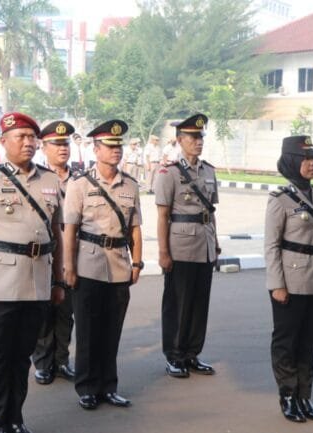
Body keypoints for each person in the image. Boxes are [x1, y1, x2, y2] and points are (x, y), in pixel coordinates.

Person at [0, 112, 64, 433]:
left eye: (31, 137)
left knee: (22, 356)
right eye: (20, 137)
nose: (27, 143)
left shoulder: (50, 181)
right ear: (3, 142)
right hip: (0, 282)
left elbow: (57, 235)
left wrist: (58, 280)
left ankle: (15, 418)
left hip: (37, 281)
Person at [63, 120, 143, 410]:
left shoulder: (130, 185)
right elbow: (69, 230)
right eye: (110, 146)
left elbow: (135, 228)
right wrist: (69, 268)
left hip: (119, 265)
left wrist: (138, 263)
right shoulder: (79, 185)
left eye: (119, 146)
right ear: (96, 149)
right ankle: (86, 387)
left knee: (112, 330)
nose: (116, 151)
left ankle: (109, 386)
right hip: (88, 264)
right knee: (88, 330)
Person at [265, 135, 313, 423]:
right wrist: (277, 284)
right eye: (307, 159)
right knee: (287, 341)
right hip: (292, 281)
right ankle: (287, 395)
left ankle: (304, 396)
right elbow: (271, 246)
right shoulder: (279, 200)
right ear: (293, 162)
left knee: (309, 341)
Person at [155, 113, 220, 378]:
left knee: (199, 303)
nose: (199, 141)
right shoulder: (168, 172)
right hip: (180, 246)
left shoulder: (209, 171)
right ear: (180, 140)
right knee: (178, 303)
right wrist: (163, 252)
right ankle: (174, 355)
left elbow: (211, 210)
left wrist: (215, 242)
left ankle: (192, 352)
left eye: (201, 137)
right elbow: (162, 215)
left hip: (203, 244)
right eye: (193, 137)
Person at [31, 120, 77, 386]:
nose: (63, 149)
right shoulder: (35, 177)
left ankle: (62, 360)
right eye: (57, 144)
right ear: (44, 147)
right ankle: (43, 363)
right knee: (44, 311)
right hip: (44, 253)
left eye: (66, 144)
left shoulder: (80, 179)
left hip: (71, 255)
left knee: (66, 311)